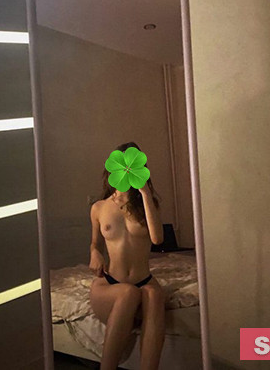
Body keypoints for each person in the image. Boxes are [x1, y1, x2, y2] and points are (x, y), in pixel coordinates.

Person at [89, 142, 165, 370]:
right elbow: (95, 243)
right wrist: (94, 252)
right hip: (111, 284)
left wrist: (145, 193)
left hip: (144, 280)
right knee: (128, 293)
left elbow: (157, 239)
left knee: (153, 294)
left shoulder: (147, 204)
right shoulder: (99, 207)